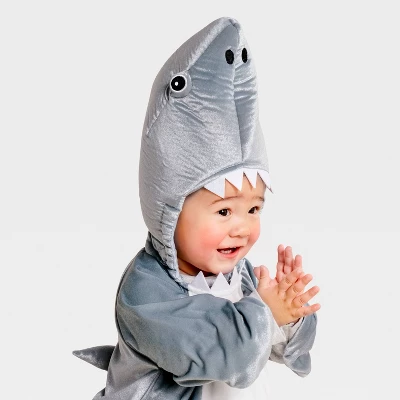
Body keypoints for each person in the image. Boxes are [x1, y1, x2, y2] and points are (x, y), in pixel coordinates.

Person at [73, 16, 321, 400]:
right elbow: (222, 356)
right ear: (167, 212)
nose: (242, 227)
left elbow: (268, 348)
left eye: (254, 210)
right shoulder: (147, 293)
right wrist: (265, 312)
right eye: (224, 212)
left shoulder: (240, 276)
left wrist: (289, 313)